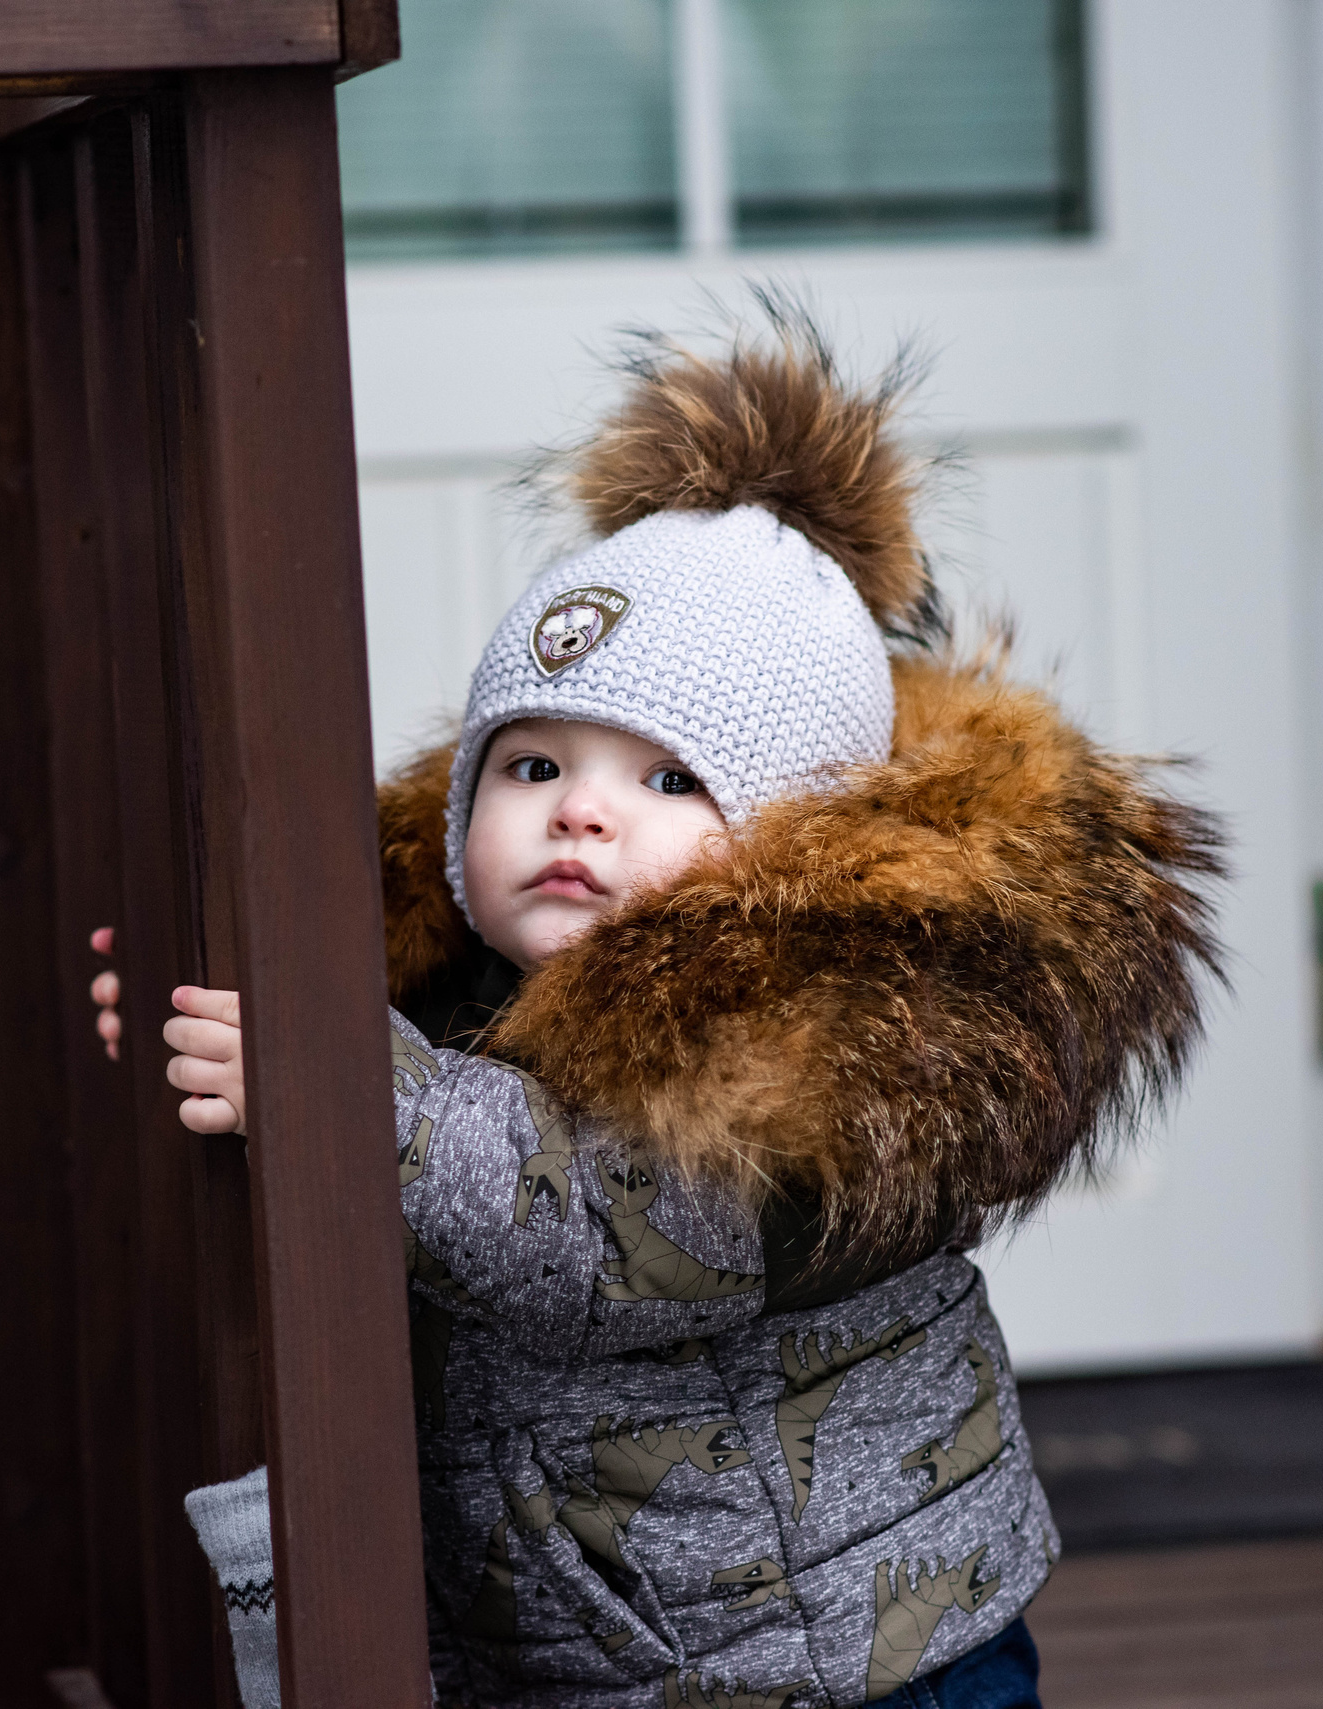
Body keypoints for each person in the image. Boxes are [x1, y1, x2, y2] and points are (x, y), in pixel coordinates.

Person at [100, 307, 1224, 1709]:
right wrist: (198, 1032)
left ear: (788, 847)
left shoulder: (816, 1036)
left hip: (843, 1664)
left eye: (669, 779)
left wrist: (332, 1077)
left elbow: (602, 1234)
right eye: (529, 764)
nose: (580, 807)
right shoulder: (467, 992)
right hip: (617, 1649)